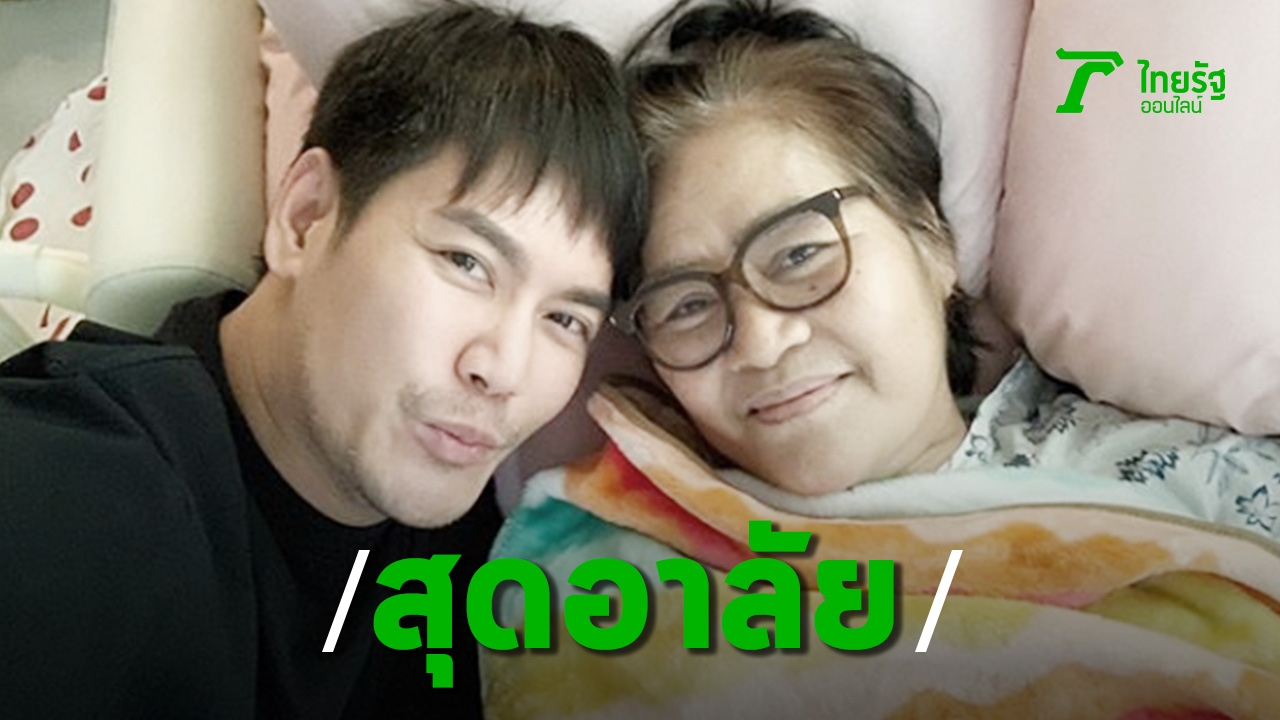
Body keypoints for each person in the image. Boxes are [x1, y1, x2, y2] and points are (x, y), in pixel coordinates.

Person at [0, 4, 645, 719]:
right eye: (466, 263)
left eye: (565, 319)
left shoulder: (473, 556)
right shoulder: (90, 493)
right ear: (306, 218)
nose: (504, 371)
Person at [607, 0, 1280, 538]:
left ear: (931, 240)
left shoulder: (1201, 492)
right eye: (686, 305)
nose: (760, 342)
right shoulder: (612, 553)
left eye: (800, 255)